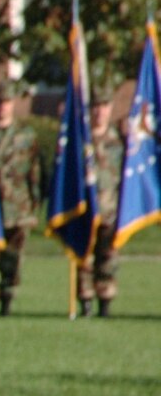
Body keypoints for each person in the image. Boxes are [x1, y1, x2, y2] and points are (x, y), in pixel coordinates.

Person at [0, 82, 43, 316]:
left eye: (7, 102)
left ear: (14, 103)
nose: (2, 107)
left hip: (18, 208)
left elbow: (34, 174)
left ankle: (7, 300)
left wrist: (35, 206)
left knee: (13, 261)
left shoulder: (26, 137)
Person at [79, 95, 122, 318]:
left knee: (107, 259)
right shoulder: (81, 140)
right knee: (84, 260)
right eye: (96, 107)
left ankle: (105, 303)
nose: (100, 112)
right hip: (85, 211)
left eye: (104, 106)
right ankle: (85, 303)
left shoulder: (119, 140)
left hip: (110, 211)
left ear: (110, 108)